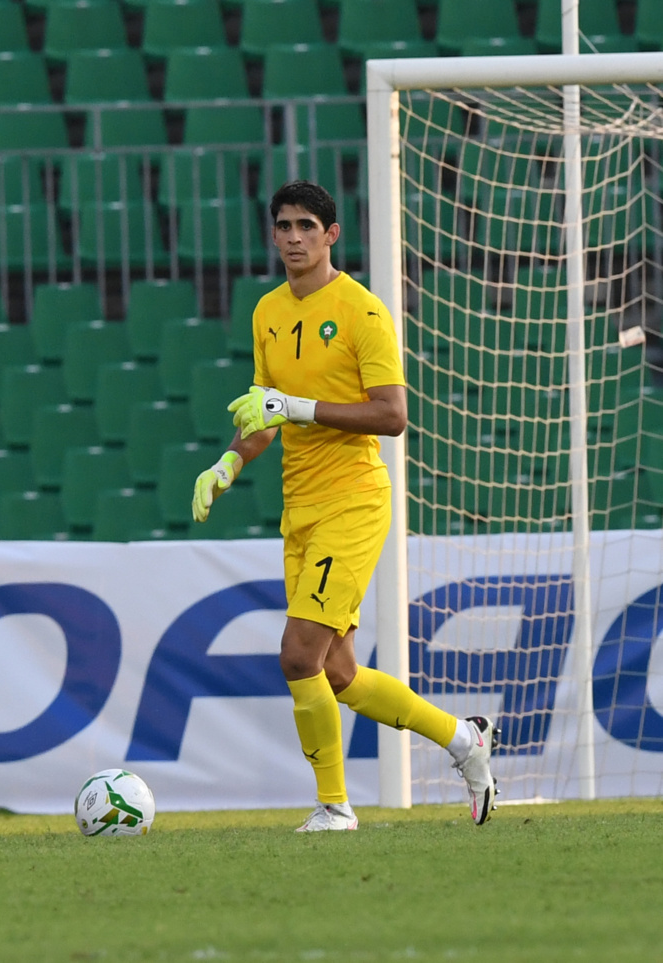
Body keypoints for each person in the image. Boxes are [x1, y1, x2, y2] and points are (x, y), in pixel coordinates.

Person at [192, 180, 499, 831]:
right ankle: (464, 740)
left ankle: (334, 806)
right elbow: (262, 414)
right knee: (337, 671)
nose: (295, 236)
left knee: (297, 654)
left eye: (307, 225)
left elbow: (392, 416)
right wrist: (227, 462)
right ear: (272, 235)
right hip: (298, 506)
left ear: (332, 234)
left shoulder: (362, 312)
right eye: (284, 225)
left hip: (353, 501)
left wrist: (295, 406)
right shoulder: (267, 311)